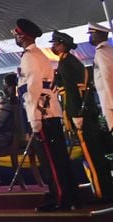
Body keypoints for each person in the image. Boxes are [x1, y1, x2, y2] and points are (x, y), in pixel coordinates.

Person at [15, 18, 77, 211]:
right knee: (58, 158)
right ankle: (68, 196)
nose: (16, 37)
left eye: (16, 34)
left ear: (23, 36)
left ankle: (60, 199)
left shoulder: (29, 57)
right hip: (49, 113)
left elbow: (33, 87)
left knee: (51, 161)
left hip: (42, 115)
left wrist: (34, 118)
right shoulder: (37, 54)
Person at [52, 30, 113, 201]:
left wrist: (76, 114)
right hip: (86, 112)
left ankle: (103, 193)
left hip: (81, 113)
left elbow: (73, 91)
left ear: (62, 44)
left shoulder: (66, 63)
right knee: (95, 153)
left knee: (92, 156)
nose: (53, 47)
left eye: (55, 44)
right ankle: (105, 189)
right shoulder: (70, 61)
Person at [88, 22, 113, 131]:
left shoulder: (102, 52)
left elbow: (108, 76)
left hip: (109, 99)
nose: (90, 37)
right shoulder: (108, 50)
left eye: (92, 34)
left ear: (100, 35)